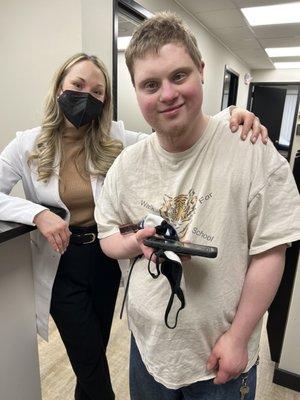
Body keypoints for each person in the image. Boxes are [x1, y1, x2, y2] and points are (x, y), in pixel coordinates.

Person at [0, 52, 265, 400]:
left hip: (106, 260)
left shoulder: (115, 137)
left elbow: (170, 136)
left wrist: (230, 115)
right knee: (90, 362)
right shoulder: (27, 144)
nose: (86, 97)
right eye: (78, 86)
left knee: (92, 352)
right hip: (62, 262)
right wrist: (37, 214)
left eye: (97, 92)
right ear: (59, 87)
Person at [95, 12, 300, 400]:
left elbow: (271, 250)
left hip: (219, 359)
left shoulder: (250, 149)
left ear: (201, 71)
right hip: (148, 349)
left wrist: (239, 338)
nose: (167, 94)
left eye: (179, 76)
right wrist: (135, 243)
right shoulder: (128, 164)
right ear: (137, 92)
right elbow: (108, 234)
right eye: (150, 84)